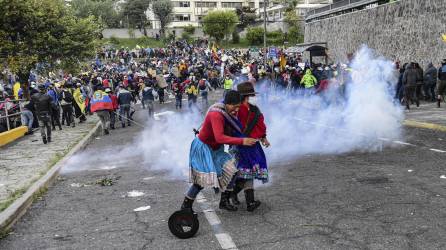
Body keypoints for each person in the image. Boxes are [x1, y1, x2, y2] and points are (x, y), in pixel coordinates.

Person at [180, 90, 257, 213]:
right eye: (234, 106)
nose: (236, 110)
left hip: (216, 149)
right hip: (204, 148)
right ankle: (186, 206)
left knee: (232, 171)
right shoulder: (216, 114)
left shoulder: (227, 113)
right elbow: (220, 137)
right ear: (227, 103)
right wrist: (243, 141)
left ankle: (224, 201)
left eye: (238, 107)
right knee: (201, 181)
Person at [230, 82, 270, 212]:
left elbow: (259, 125)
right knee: (245, 172)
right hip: (242, 145)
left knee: (247, 173)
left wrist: (263, 138)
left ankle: (235, 195)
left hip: (250, 145)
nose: (253, 97)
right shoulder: (237, 109)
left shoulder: (252, 109)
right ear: (247, 96)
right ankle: (248, 201)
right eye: (251, 95)